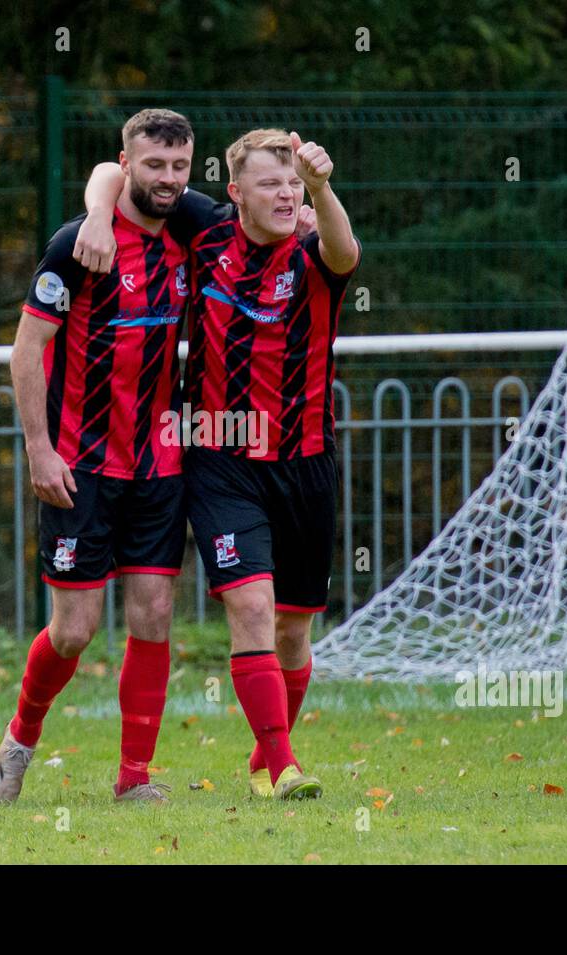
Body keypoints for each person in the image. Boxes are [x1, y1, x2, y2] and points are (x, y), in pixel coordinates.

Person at [77, 127, 360, 799]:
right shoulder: (205, 231)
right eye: (271, 183)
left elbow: (348, 250)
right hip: (218, 456)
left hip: (306, 462)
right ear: (235, 195)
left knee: (293, 630)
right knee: (253, 608)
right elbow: (115, 173)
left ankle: (266, 756)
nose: (286, 194)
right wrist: (94, 216)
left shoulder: (315, 253)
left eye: (293, 184)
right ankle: (285, 765)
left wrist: (322, 186)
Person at [0, 108, 195, 805]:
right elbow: (26, 351)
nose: (167, 179)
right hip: (80, 464)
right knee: (73, 630)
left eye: (179, 166)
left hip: (160, 464)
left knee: (155, 612)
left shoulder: (194, 232)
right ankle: (19, 739)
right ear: (126, 162)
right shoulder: (79, 243)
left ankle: (134, 779)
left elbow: (261, 214)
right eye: (154, 165)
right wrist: (39, 451)